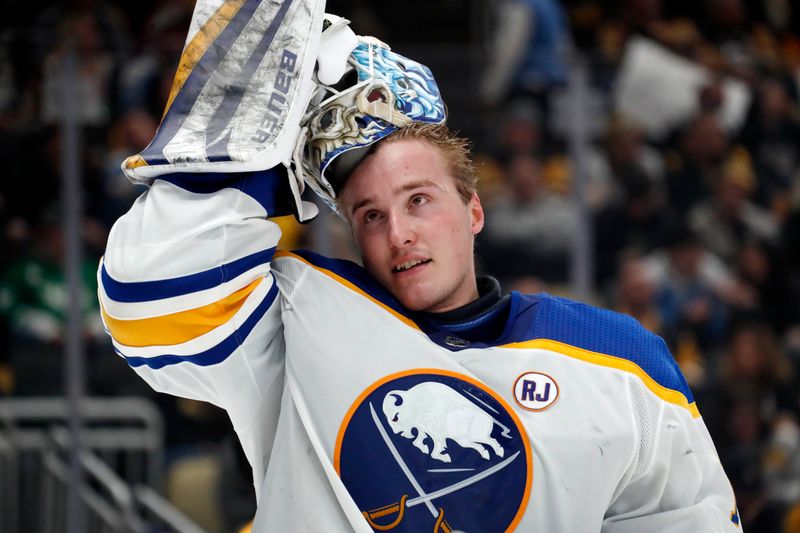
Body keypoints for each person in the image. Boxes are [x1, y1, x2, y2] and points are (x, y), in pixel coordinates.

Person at [99, 7, 740, 532]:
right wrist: (255, 111)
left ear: (475, 210)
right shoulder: (297, 320)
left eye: (418, 201)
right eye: (370, 215)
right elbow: (149, 302)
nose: (398, 231)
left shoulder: (619, 358)